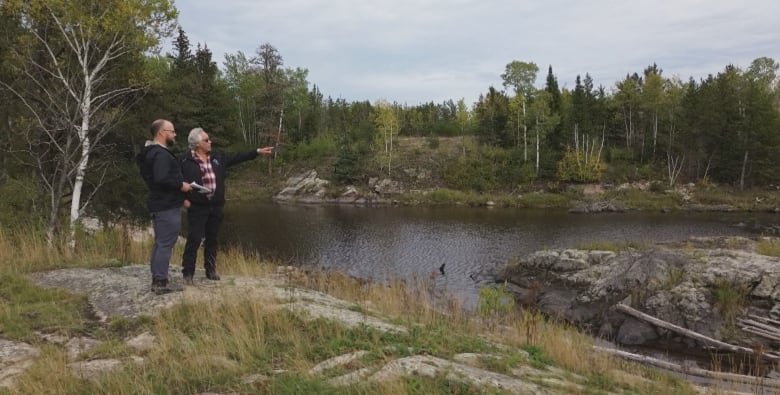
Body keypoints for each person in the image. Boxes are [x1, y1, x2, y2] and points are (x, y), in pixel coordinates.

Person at [180, 127, 273, 284]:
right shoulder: (184, 160)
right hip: (197, 206)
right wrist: (182, 199)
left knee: (212, 239)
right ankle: (188, 273)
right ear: (197, 144)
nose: (210, 142)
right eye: (206, 140)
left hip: (216, 206)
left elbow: (238, 157)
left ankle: (210, 270)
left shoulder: (217, 157)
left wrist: (256, 152)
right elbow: (176, 180)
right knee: (194, 239)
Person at [136, 119, 192, 294]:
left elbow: (157, 180)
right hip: (165, 205)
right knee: (165, 243)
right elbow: (161, 178)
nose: (175, 134)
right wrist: (181, 185)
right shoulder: (160, 154)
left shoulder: (152, 153)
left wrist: (180, 197)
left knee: (161, 242)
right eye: (172, 131)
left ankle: (158, 278)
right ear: (161, 132)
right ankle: (160, 282)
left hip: (161, 202)